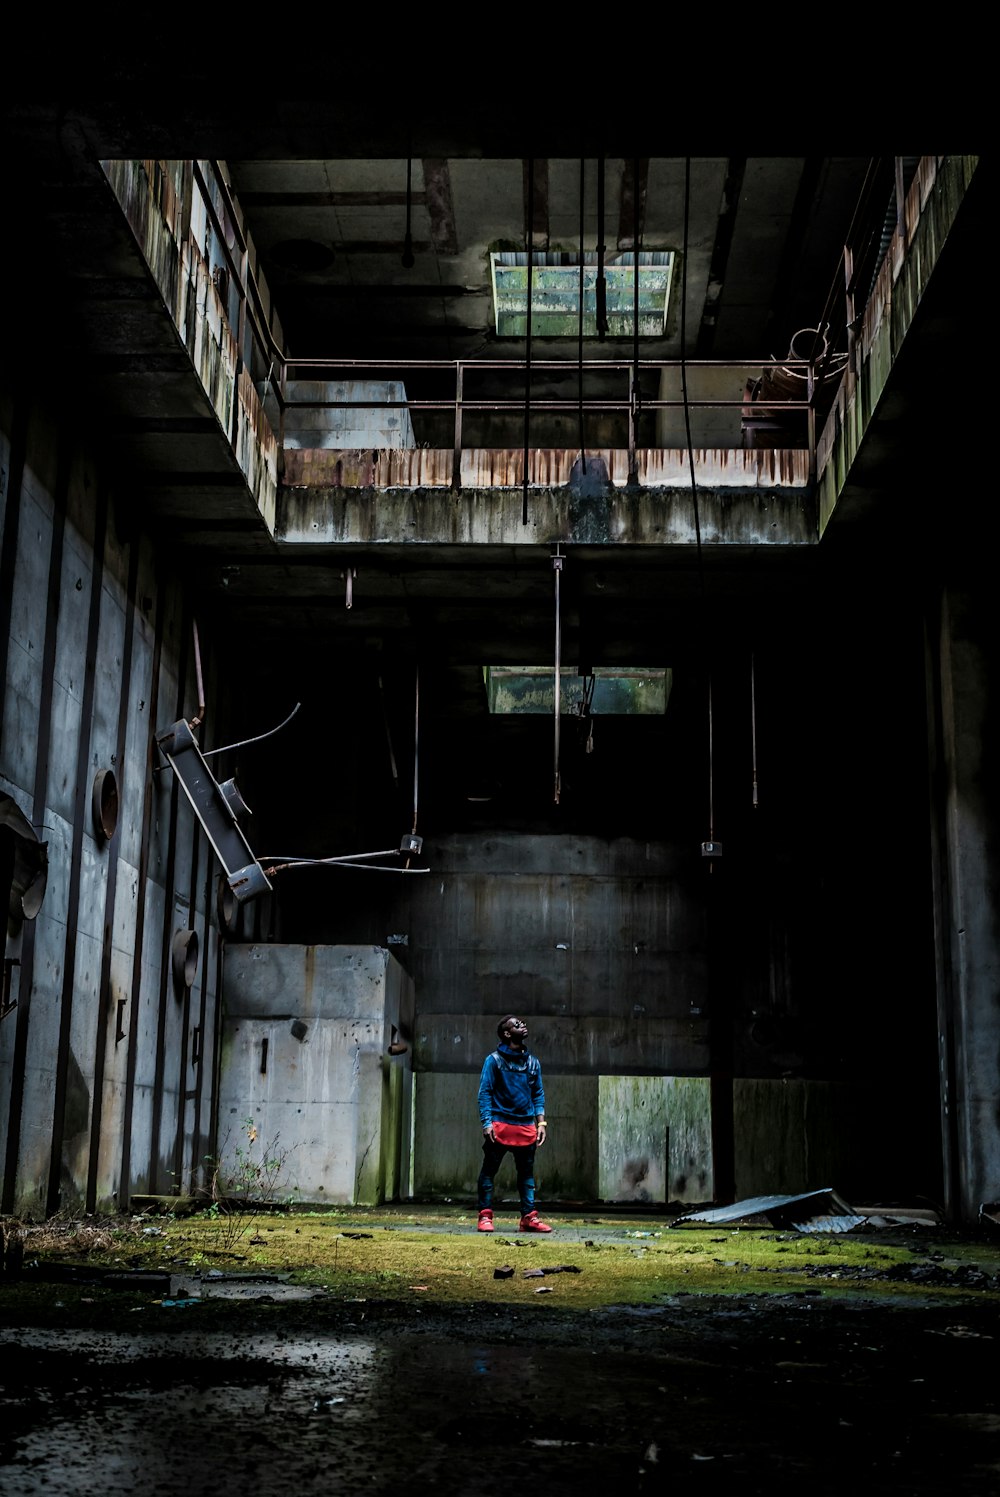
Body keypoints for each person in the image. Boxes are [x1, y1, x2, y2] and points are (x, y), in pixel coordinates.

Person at [476, 1014, 552, 1233]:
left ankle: (528, 1218)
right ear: (507, 1033)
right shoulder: (493, 1061)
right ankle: (485, 1216)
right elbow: (484, 1093)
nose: (523, 1025)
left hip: (526, 1128)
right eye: (517, 1024)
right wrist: (487, 1123)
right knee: (489, 1172)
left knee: (527, 1175)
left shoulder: (532, 1062)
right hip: (499, 1126)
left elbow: (538, 1093)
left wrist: (541, 1124)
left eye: (522, 1023)